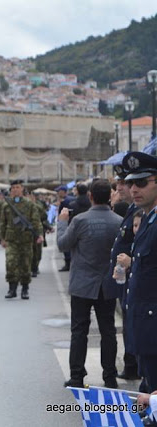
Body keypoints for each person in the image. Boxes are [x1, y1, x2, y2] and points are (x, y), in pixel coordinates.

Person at [57, 179, 122, 389]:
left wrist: (61, 222)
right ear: (109, 196)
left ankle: (77, 376)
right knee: (108, 331)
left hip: (82, 284)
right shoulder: (119, 221)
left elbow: (62, 244)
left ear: (91, 196)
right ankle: (110, 377)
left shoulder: (80, 221)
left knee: (78, 331)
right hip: (107, 284)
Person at [116, 152, 157, 392]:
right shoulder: (148, 219)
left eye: (141, 182)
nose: (133, 188)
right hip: (145, 329)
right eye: (130, 182)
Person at [105, 166, 142, 381]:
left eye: (125, 183)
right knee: (129, 324)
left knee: (134, 326)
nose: (121, 188)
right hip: (127, 278)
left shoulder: (136, 210)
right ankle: (133, 365)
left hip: (136, 279)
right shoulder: (130, 209)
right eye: (120, 183)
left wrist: (131, 262)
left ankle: (133, 365)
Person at [0, 180, 43, 299]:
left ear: (22, 188)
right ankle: (12, 288)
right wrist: (2, 238)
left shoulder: (30, 204)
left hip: (26, 239)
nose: (15, 190)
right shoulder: (6, 205)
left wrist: (39, 234)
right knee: (10, 263)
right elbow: (2, 223)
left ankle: (25, 289)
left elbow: (36, 221)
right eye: (13, 188)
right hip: (11, 240)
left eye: (17, 187)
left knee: (25, 264)